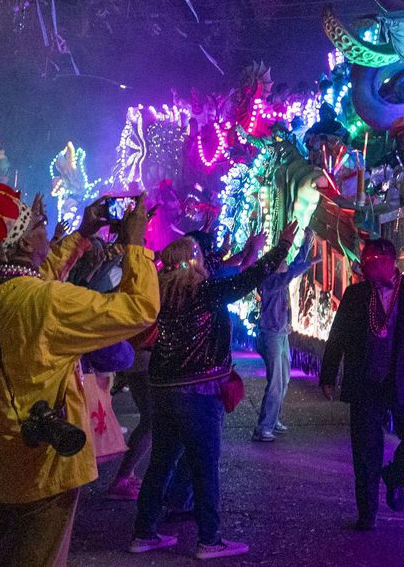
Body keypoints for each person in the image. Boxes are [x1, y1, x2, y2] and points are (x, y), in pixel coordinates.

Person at [0, 186, 156, 567]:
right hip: (41, 469)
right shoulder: (47, 303)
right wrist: (136, 244)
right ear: (24, 241)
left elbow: (23, 281)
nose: (46, 229)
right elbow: (140, 308)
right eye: (39, 224)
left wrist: (81, 235)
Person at [127, 221, 296, 560]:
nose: (207, 261)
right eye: (201, 257)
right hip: (198, 392)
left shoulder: (161, 295)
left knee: (160, 464)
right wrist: (281, 246)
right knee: (205, 466)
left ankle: (143, 534)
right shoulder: (203, 292)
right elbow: (250, 277)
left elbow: (225, 266)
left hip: (163, 390)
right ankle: (209, 540)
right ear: (194, 262)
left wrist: (244, 250)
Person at [320, 238, 404, 531]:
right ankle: (367, 513)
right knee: (365, 450)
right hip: (366, 382)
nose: (367, 266)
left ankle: (395, 476)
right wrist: (328, 375)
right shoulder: (355, 295)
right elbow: (337, 337)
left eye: (373, 261)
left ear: (390, 261)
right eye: (366, 261)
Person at [251, 233, 316, 443]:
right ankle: (263, 428)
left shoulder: (280, 278)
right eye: (282, 261)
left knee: (284, 378)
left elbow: (295, 265)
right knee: (275, 383)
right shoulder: (270, 281)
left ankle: (273, 418)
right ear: (273, 265)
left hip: (281, 333)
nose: (286, 264)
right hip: (270, 335)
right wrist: (310, 263)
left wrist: (306, 245)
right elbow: (291, 273)